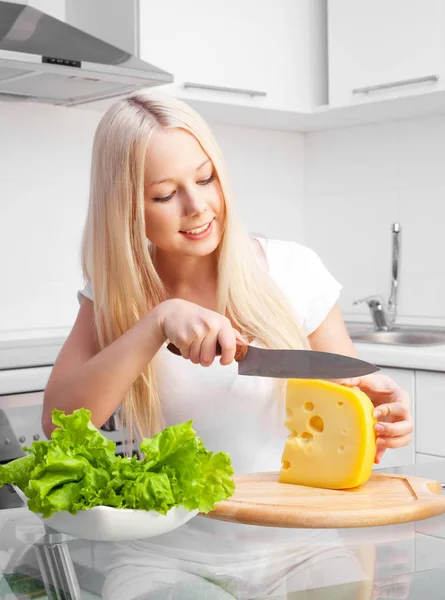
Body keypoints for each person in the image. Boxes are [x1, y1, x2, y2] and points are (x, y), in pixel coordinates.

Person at [42, 89, 412, 468]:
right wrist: (156, 323)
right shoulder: (116, 295)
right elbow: (58, 426)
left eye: (205, 179)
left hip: (302, 522)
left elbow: (349, 402)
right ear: (126, 209)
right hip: (180, 526)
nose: (197, 207)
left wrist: (377, 410)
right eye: (166, 195)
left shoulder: (295, 270)